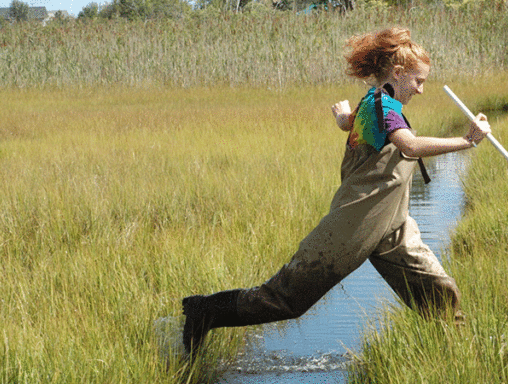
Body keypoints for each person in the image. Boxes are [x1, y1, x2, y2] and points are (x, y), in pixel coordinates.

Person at [181, 26, 491, 357]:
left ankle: (459, 359)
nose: (422, 89)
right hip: (353, 223)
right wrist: (467, 140)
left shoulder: (377, 105)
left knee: (438, 293)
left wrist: (344, 120)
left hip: (392, 225)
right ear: (398, 73)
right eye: (418, 80)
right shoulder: (381, 105)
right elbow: (410, 146)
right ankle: (205, 311)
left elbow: (354, 124)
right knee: (286, 300)